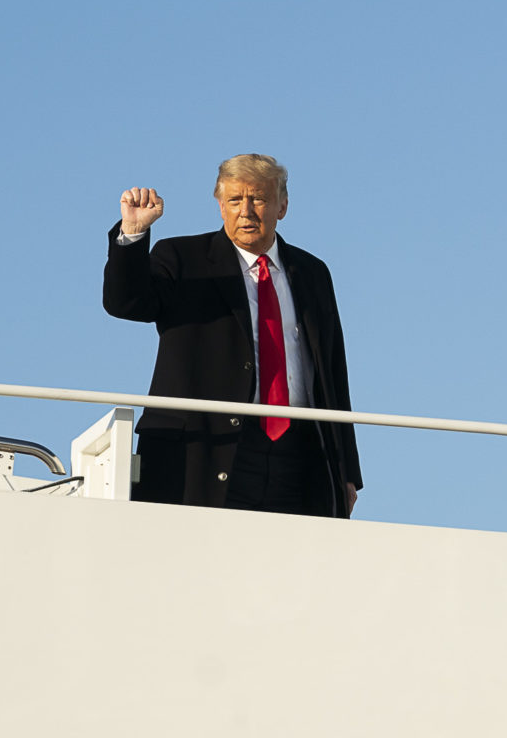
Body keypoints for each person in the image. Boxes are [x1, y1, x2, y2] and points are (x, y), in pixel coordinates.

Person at [103, 154, 360, 516]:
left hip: (300, 452)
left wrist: (347, 472)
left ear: (282, 206)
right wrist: (133, 232)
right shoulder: (183, 257)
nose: (246, 211)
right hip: (206, 448)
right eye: (235, 200)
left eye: (259, 199)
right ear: (220, 206)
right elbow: (126, 303)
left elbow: (333, 371)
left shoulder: (312, 272)